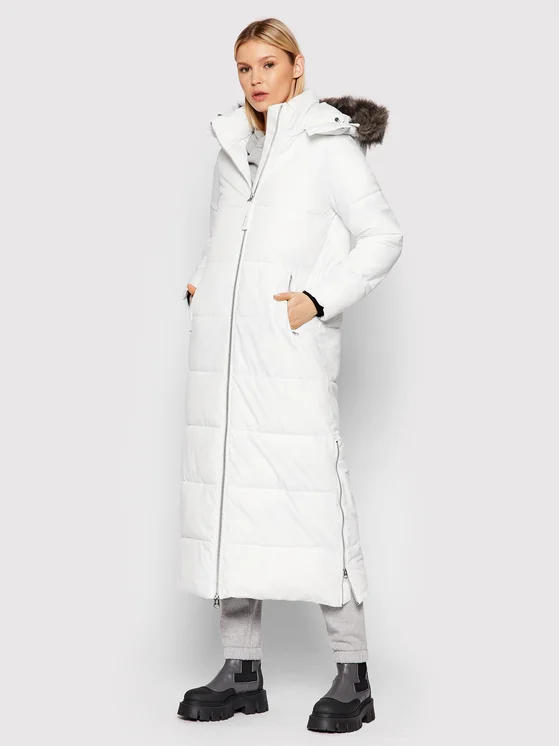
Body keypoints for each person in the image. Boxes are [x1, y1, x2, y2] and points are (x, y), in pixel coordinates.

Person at [177, 17, 403, 733]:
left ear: (297, 66)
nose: (255, 79)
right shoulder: (230, 148)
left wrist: (318, 298)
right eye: (244, 67)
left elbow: (382, 237)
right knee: (229, 503)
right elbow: (225, 238)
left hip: (288, 358)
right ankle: (241, 670)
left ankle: (353, 676)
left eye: (268, 64)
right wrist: (202, 283)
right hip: (223, 361)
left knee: (316, 508)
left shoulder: (328, 145)